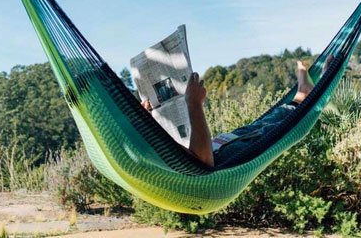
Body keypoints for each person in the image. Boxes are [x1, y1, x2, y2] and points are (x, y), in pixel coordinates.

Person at [141, 56, 334, 167]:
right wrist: (193, 104)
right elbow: (203, 163)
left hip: (221, 143)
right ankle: (320, 88)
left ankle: (301, 95)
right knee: (282, 128)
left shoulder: (135, 153)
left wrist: (147, 123)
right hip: (221, 156)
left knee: (266, 123)